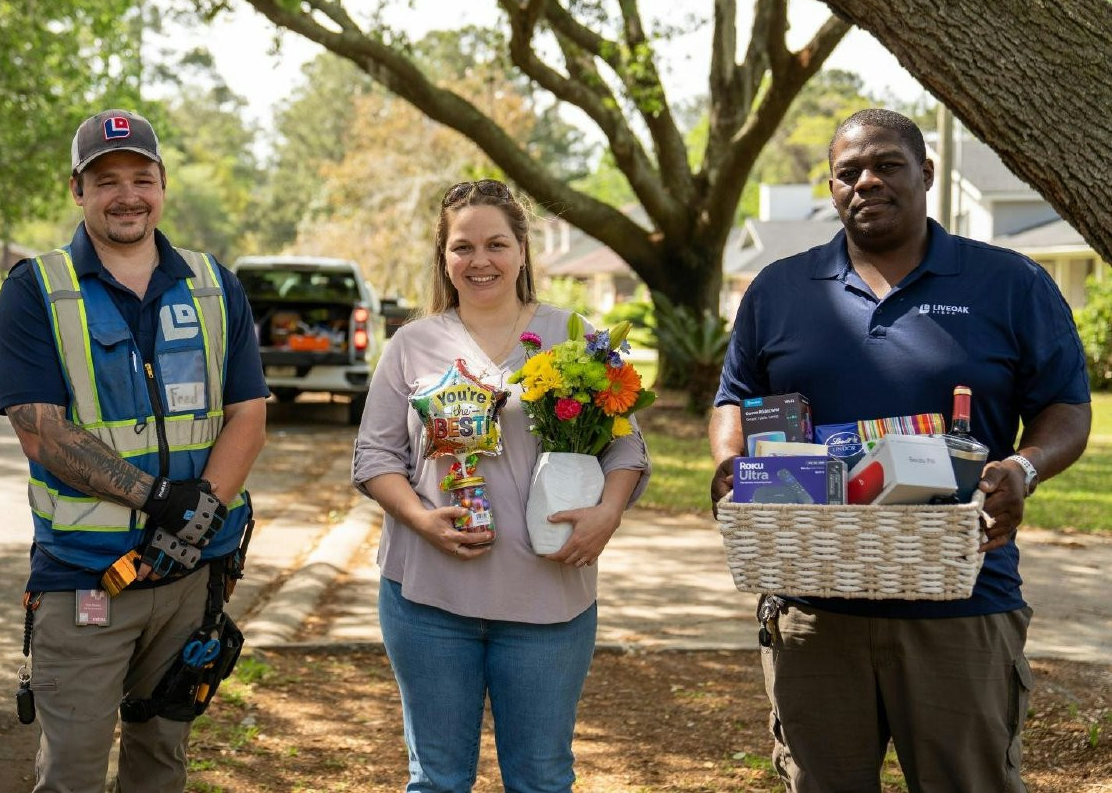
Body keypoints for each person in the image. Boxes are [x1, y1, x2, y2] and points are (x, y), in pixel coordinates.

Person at [708, 108, 1092, 792]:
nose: (866, 182)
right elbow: (734, 398)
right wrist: (732, 462)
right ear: (831, 188)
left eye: (886, 165)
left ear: (927, 173)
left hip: (962, 604)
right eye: (848, 172)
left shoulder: (1009, 283)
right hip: (813, 611)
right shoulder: (780, 289)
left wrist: (1023, 467)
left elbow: (1067, 406)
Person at [0, 108, 267, 793]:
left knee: (160, 766)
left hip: (189, 581)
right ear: (77, 190)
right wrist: (160, 500)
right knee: (74, 774)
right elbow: (41, 431)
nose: (126, 194)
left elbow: (248, 412)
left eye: (141, 177)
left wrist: (205, 506)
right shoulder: (37, 290)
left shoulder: (212, 284)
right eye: (105, 179)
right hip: (87, 579)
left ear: (162, 184)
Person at [352, 179, 651, 792]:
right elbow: (374, 454)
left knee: (541, 780)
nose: (479, 261)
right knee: (436, 780)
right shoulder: (412, 344)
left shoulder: (576, 335)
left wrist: (608, 514)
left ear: (521, 251)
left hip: (548, 598)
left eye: (495, 244)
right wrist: (419, 518)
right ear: (444, 257)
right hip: (427, 600)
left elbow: (627, 444)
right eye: (463, 247)